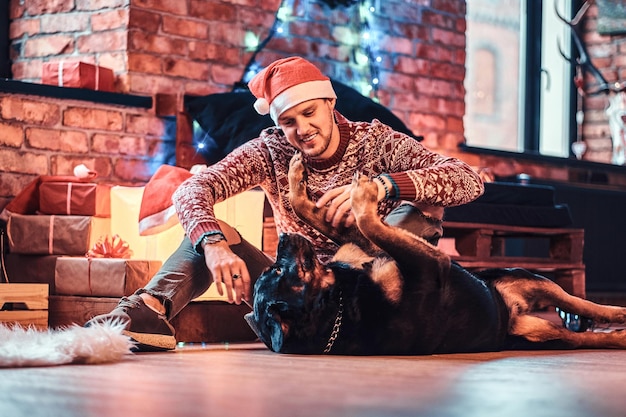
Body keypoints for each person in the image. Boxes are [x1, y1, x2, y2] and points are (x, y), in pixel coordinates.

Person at [86, 56, 485, 351]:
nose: (302, 129)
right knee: (209, 231)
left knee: (420, 209)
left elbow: (469, 181)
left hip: (378, 295)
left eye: (309, 113)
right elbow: (193, 189)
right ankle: (148, 310)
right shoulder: (272, 150)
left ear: (330, 104)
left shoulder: (377, 142)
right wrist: (213, 246)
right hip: (301, 298)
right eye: (288, 121)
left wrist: (384, 187)